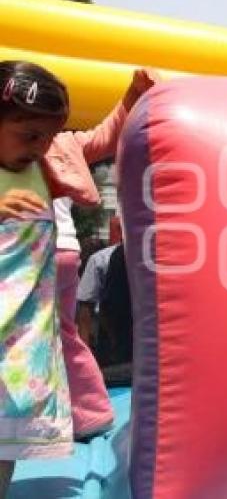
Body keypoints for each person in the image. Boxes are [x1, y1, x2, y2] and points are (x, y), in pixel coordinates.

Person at [52, 67, 158, 439]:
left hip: (40, 250)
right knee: (61, 334)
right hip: (60, 248)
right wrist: (129, 98)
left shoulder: (34, 145)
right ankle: (90, 412)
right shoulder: (58, 143)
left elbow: (104, 137)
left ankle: (80, 412)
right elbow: (106, 136)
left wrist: (131, 97)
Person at [0, 61, 73, 496]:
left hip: (22, 335)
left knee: (6, 436)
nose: (42, 147)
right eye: (30, 136)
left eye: (48, 137)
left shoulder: (39, 168)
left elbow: (92, 142)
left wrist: (127, 107)